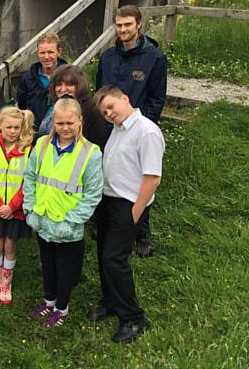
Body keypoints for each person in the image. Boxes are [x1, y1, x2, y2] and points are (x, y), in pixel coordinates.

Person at [91, 85, 164, 343]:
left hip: (128, 205)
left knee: (114, 259)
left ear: (125, 98)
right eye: (104, 111)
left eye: (111, 106)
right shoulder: (118, 130)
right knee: (103, 255)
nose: (109, 113)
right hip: (108, 201)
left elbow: (153, 177)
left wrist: (135, 212)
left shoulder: (146, 131)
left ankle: (133, 318)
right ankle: (111, 301)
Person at [23, 97, 103, 328]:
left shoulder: (91, 153)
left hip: (68, 225)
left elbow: (92, 195)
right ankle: (49, 300)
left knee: (65, 269)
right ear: (53, 122)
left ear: (80, 121)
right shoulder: (42, 146)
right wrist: (30, 207)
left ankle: (62, 308)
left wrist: (72, 221)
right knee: (47, 264)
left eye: (70, 123)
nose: (65, 128)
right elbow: (30, 178)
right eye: (60, 123)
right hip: (42, 219)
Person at [96, 4, 167, 257]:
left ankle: (141, 231)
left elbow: (157, 98)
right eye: (119, 24)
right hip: (109, 127)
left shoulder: (154, 58)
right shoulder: (107, 57)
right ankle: (107, 221)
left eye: (128, 24)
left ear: (139, 24)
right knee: (111, 172)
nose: (123, 29)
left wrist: (138, 127)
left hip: (136, 127)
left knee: (140, 177)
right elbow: (100, 93)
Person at [0, 106, 34, 305]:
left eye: (16, 128)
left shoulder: (28, 150)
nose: (12, 131)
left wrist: (12, 206)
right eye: (8, 127)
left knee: (10, 245)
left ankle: (6, 283)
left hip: (15, 211)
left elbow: (29, 182)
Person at [37, 65, 107, 150]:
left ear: (80, 85)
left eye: (69, 84)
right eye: (59, 85)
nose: (63, 89)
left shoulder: (89, 110)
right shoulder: (54, 105)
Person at [17, 32, 67, 128]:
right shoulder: (27, 78)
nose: (46, 57)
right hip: (33, 132)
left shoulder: (69, 76)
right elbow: (22, 105)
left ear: (59, 52)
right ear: (37, 53)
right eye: (42, 53)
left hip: (61, 130)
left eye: (50, 52)